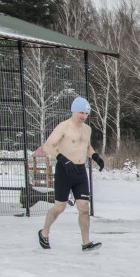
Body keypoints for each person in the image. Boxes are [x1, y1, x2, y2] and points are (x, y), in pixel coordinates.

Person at [37, 96, 105, 251]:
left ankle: (86, 242)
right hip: (65, 170)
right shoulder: (64, 126)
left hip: (80, 172)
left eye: (86, 114)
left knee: (84, 207)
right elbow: (47, 146)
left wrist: (95, 157)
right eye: (81, 112)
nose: (83, 116)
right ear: (74, 111)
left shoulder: (87, 129)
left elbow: (86, 146)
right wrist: (62, 158)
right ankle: (44, 232)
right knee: (59, 207)